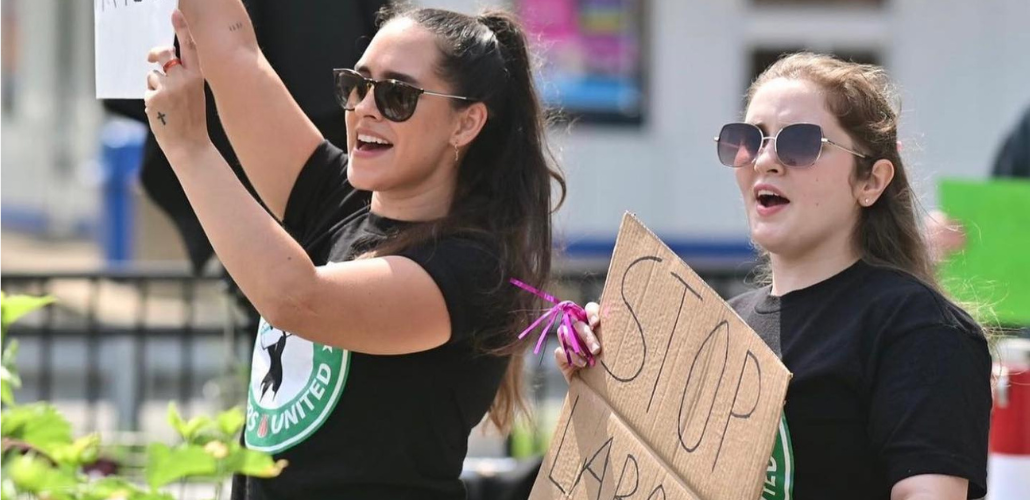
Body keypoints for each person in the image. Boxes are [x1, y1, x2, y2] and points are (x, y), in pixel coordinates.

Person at [143, 1, 566, 498]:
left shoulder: (471, 267)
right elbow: (234, 53)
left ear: (465, 124)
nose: (365, 107)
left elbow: (297, 299)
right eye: (356, 85)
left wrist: (190, 148)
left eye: (396, 95)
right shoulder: (340, 201)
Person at [563, 53, 992, 500]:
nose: (765, 160)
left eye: (802, 143)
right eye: (750, 139)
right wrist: (602, 389)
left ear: (871, 181)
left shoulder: (920, 328)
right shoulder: (719, 330)